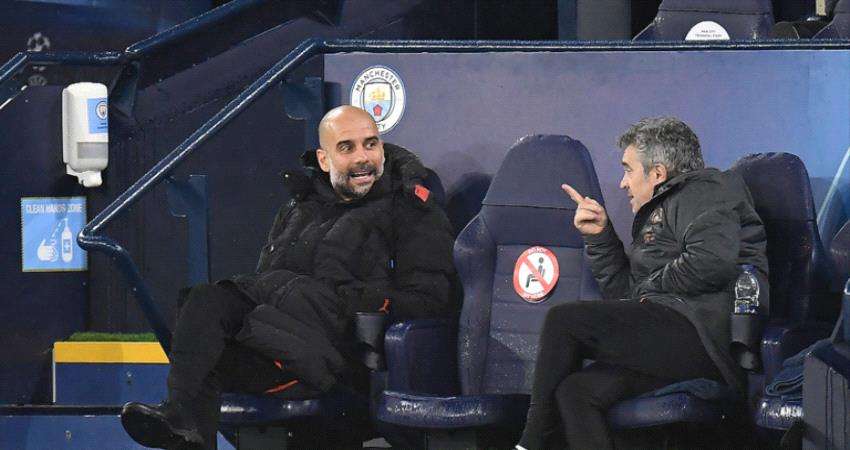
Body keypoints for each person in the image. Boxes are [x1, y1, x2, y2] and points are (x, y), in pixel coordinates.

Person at [121, 105, 459, 450]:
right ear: (324, 160)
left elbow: (431, 300)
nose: (362, 158)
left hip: (338, 361)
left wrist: (354, 301)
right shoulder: (299, 208)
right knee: (203, 332)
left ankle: (181, 417)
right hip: (279, 346)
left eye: (371, 144)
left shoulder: (410, 209)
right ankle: (186, 424)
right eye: (347, 147)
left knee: (208, 314)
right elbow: (268, 282)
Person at [516, 117, 769, 450]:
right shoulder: (658, 213)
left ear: (658, 173)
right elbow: (626, 294)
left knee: (564, 321)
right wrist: (600, 237)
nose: (623, 183)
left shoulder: (704, 191)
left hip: (702, 339)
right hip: (667, 340)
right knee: (576, 392)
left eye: (628, 170)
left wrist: (648, 288)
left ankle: (530, 443)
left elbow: (711, 261)